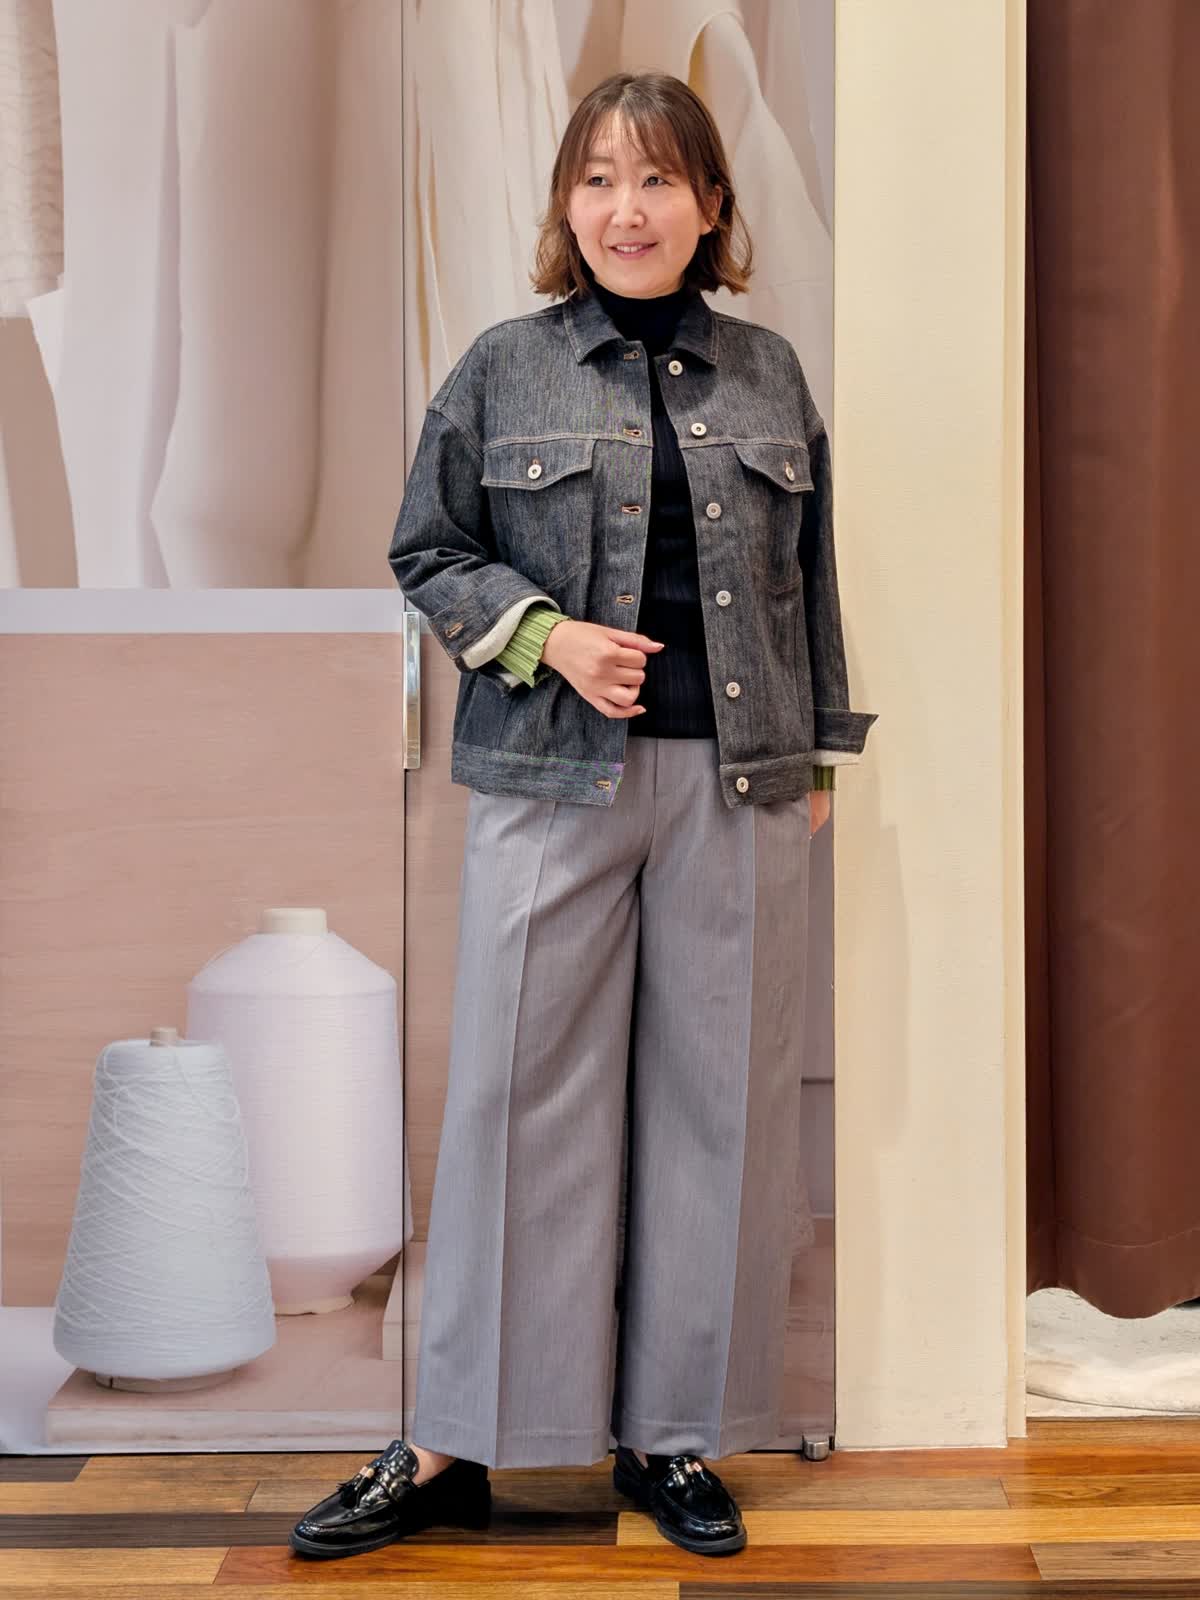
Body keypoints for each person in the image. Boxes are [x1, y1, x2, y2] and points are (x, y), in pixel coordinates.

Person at [291, 68, 876, 1564]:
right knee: (517, 1103)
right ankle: (455, 1440)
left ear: (711, 207)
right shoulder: (505, 366)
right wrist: (547, 638)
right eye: (600, 179)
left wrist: (815, 757)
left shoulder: (768, 372)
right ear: (567, 203)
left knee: (720, 1109)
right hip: (551, 785)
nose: (629, 208)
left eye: (660, 179)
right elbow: (427, 548)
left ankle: (672, 1436)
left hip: (738, 786)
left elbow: (809, 581)